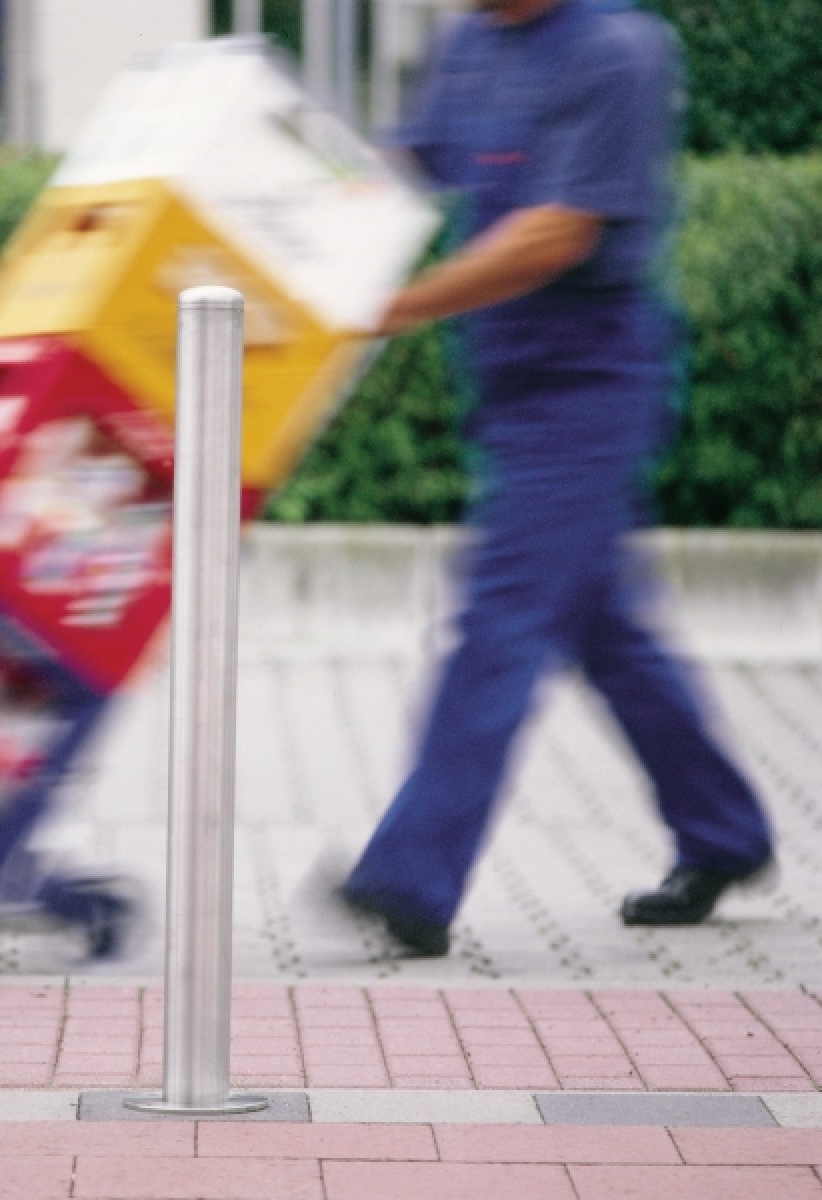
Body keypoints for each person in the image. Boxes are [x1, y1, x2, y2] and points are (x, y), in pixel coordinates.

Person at [337, 0, 775, 956]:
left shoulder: (618, 50)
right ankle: (724, 833)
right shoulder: (472, 40)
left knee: (503, 617)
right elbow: (408, 162)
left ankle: (412, 876)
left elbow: (555, 234)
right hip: (506, 369)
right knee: (605, 627)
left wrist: (388, 309)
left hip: (591, 380)